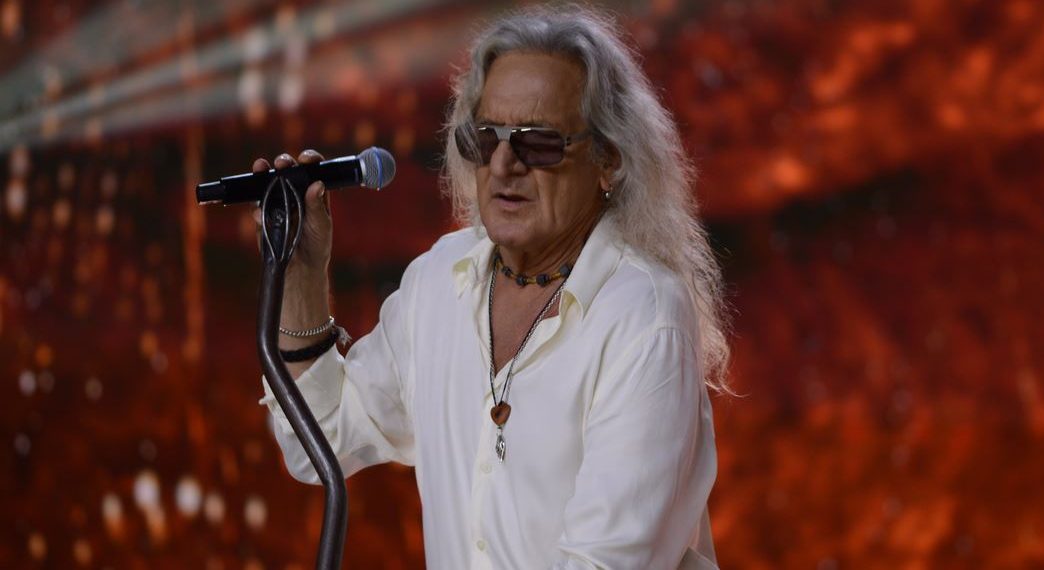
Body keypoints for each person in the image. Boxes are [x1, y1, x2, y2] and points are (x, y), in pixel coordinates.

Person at [256, 6, 731, 569]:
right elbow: (320, 441)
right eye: (486, 138)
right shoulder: (440, 280)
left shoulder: (643, 317)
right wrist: (302, 275)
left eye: (539, 143)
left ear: (608, 160)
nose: (504, 164)